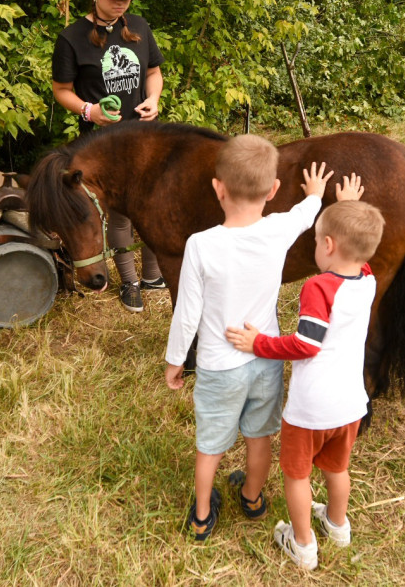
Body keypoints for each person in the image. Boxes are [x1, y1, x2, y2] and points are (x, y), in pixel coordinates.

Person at [164, 133, 334, 541]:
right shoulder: (278, 229)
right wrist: (315, 194)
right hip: (266, 357)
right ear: (273, 190)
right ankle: (253, 497)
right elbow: (304, 215)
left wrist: (175, 361)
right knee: (260, 437)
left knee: (211, 445)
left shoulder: (200, 245)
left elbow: (187, 313)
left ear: (217, 188)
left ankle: (202, 515)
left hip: (219, 367)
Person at [224, 174, 384, 570]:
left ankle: (302, 544)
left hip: (312, 408)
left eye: (316, 241)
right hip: (350, 404)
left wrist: (258, 343)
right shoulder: (368, 279)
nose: (314, 246)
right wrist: (346, 209)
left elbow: (306, 345)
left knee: (297, 476)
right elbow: (357, 251)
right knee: (337, 468)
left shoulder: (318, 287)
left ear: (328, 246)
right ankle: (337, 524)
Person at [51, 0, 165, 313]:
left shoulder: (140, 28)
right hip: (102, 146)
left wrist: (154, 99)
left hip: (145, 138)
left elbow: (153, 72)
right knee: (118, 213)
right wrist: (90, 111)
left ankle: (152, 276)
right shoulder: (71, 39)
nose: (120, 2)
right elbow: (61, 90)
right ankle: (129, 282)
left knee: (152, 203)